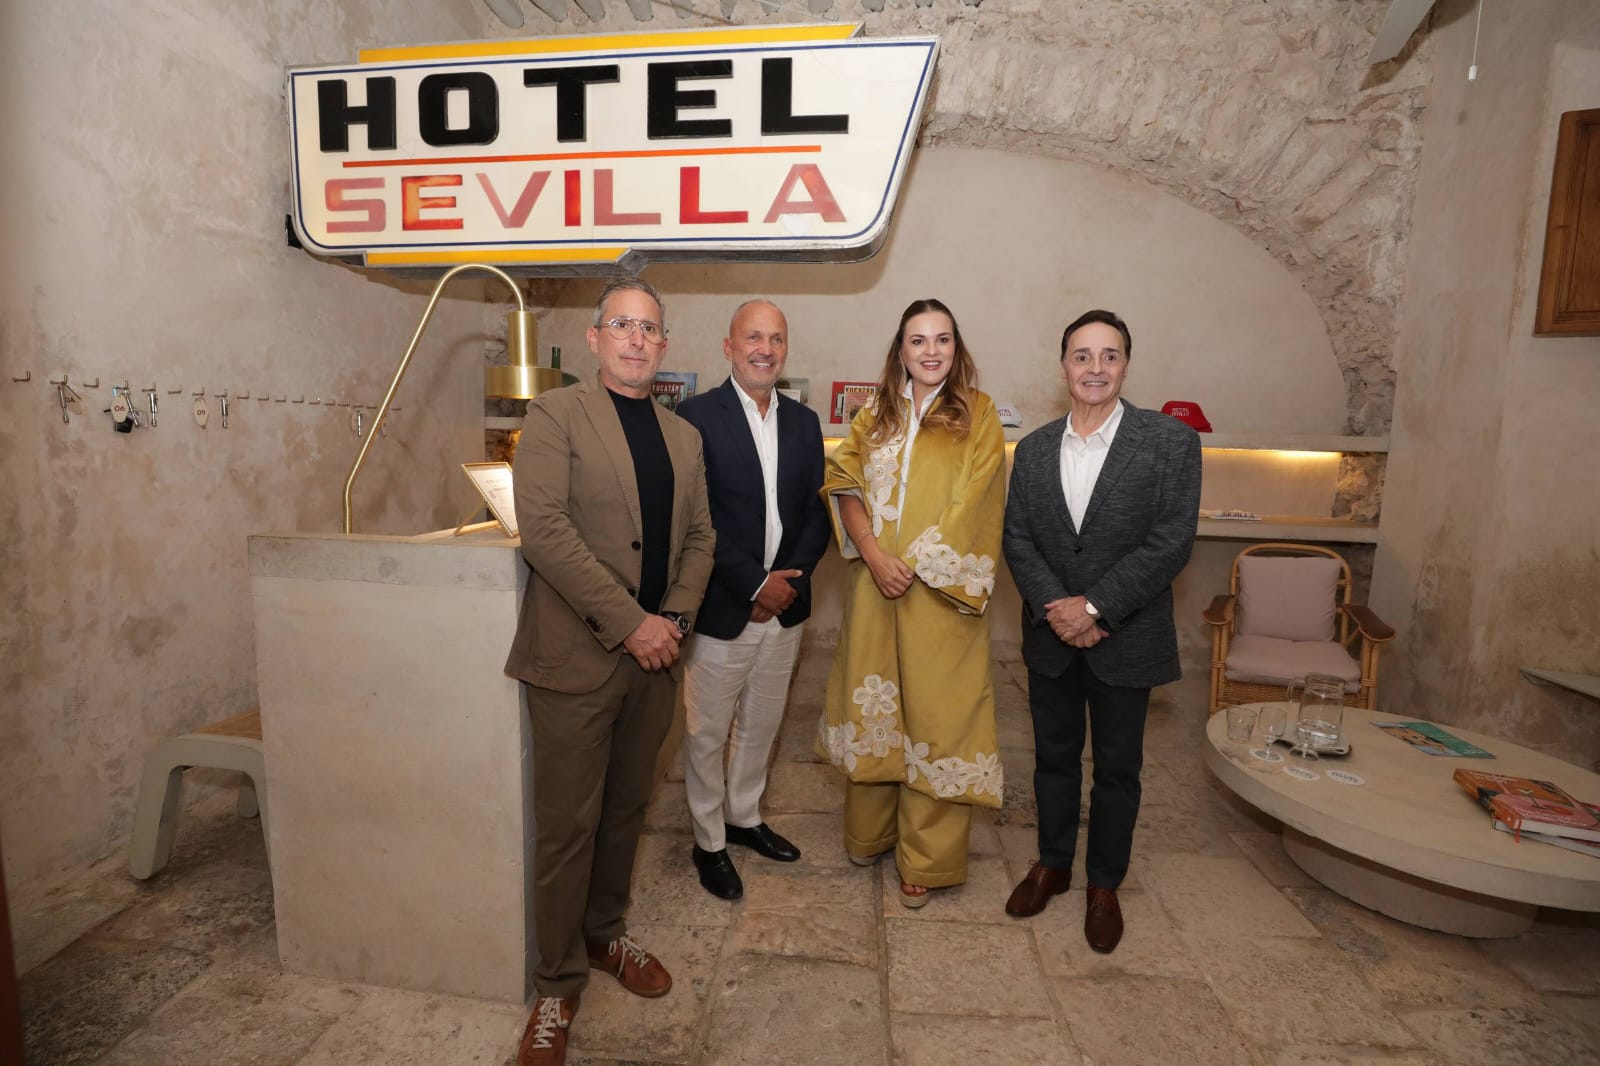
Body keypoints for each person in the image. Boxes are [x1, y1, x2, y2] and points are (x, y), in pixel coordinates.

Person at [504, 277, 715, 1066]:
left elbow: (702, 539)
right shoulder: (555, 415)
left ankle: (604, 935)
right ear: (595, 339)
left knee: (627, 810)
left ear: (664, 347)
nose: (636, 338)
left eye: (650, 328)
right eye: (622, 324)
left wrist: (675, 624)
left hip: (656, 663)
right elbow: (544, 530)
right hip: (576, 660)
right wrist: (632, 625)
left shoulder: (684, 437)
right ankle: (556, 987)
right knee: (568, 828)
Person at [1001, 308, 1201, 953]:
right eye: (1082, 356)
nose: (1095, 368)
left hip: (1127, 636)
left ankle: (1104, 884)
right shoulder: (1033, 450)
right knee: (1053, 760)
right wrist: (1059, 608)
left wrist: (1094, 608)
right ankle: (1053, 865)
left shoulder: (1169, 442)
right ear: (1063, 367)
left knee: (1118, 769)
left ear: (1125, 365)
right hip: (1050, 636)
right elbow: (1018, 540)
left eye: (1109, 355)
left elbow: (1171, 542)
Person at [818, 298, 1006, 908]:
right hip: (875, 588)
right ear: (900, 350)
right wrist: (875, 554)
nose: (930, 351)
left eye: (942, 339)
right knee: (875, 707)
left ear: (957, 348)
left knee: (938, 719)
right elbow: (843, 482)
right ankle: (869, 833)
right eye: (918, 340)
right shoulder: (873, 415)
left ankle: (928, 858)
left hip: (941, 595)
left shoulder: (978, 414)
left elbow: (979, 498)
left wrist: (917, 564)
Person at [674, 299, 830, 900]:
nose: (765, 349)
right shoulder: (694, 417)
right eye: (753, 338)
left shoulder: (805, 423)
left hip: (785, 606)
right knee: (707, 732)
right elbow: (698, 518)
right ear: (729, 346)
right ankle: (708, 840)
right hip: (722, 605)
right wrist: (754, 584)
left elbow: (816, 513)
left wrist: (787, 584)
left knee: (762, 723)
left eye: (776, 339)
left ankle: (743, 817)